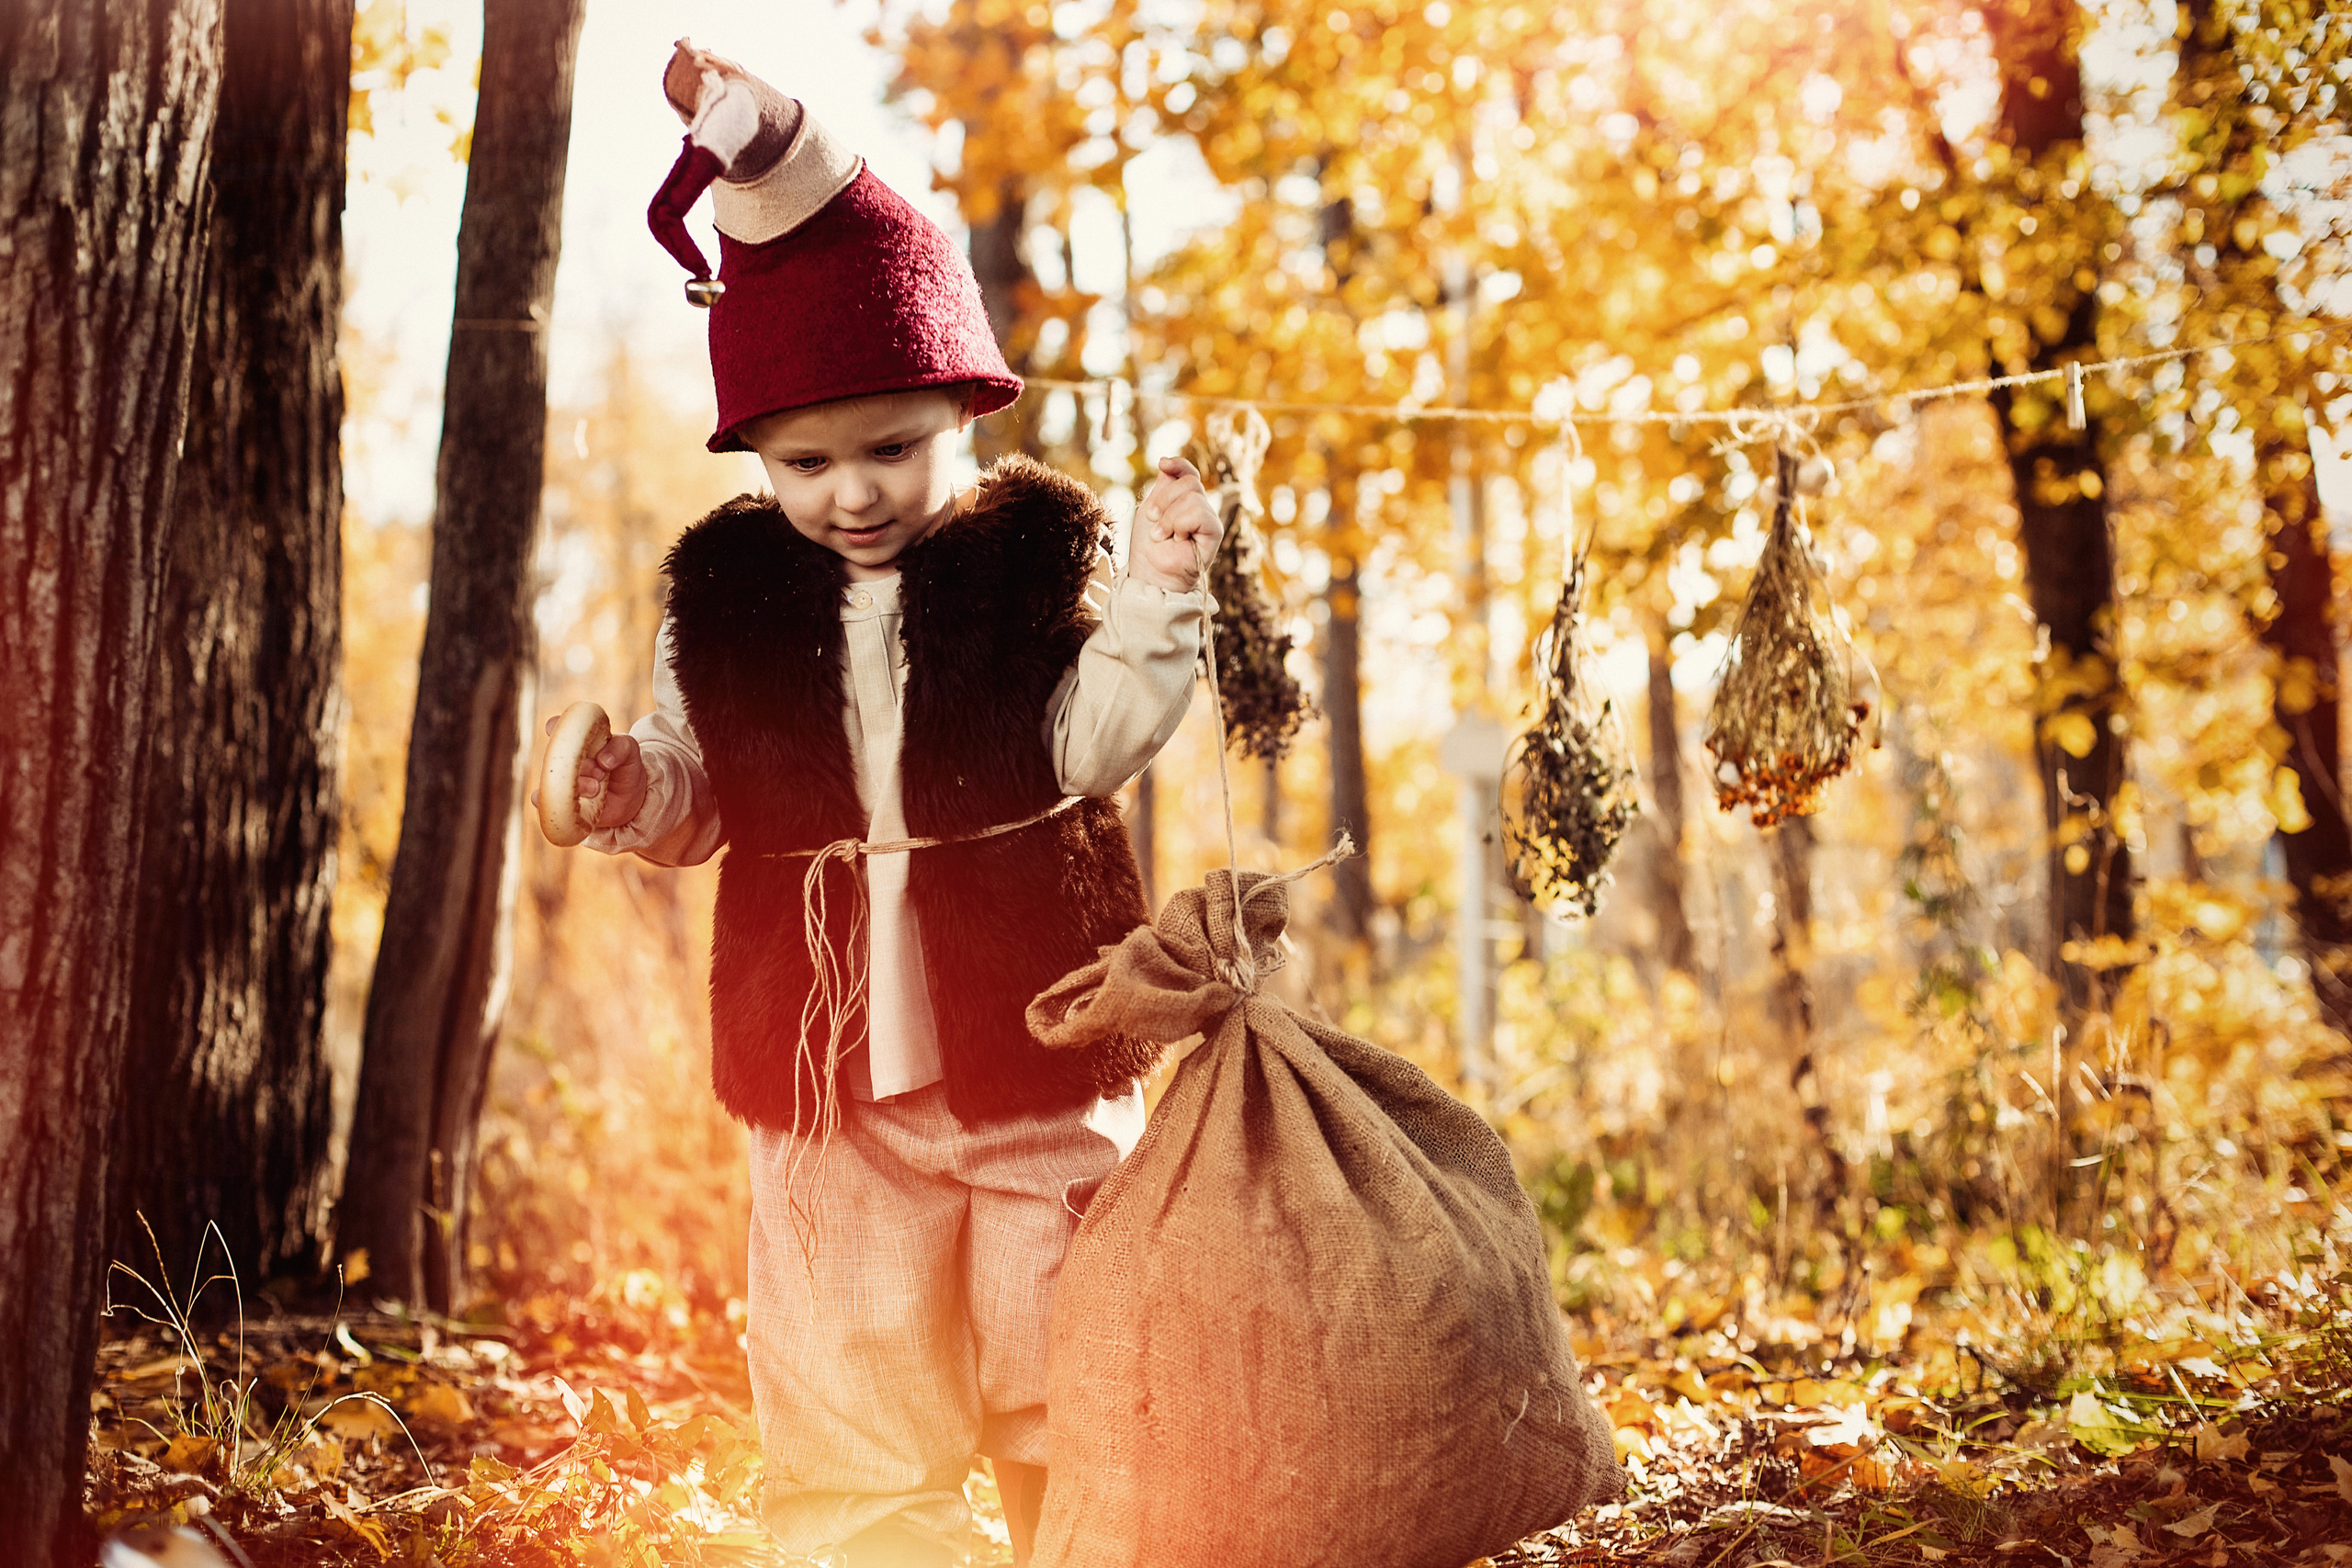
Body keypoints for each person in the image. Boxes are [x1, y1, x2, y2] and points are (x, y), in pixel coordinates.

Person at [545, 39, 1224, 1568]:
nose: (852, 492)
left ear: (965, 411)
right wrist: (628, 793)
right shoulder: (724, 599)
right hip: (821, 1074)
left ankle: (1088, 1543)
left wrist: (1166, 593)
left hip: (1034, 1038)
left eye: (893, 448)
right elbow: (696, 785)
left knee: (1070, 1348)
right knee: (848, 1375)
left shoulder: (1024, 564)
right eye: (808, 461)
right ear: (757, 456)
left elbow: (1091, 743)